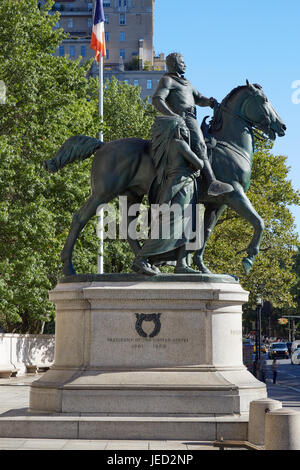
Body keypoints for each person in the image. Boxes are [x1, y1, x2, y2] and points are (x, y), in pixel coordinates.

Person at [152, 52, 233, 198]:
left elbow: (199, 98)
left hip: (192, 116)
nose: (185, 64)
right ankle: (212, 182)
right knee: (200, 145)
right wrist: (173, 116)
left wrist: (209, 102)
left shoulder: (187, 83)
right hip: (184, 119)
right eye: (182, 62)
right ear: (175, 64)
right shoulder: (167, 80)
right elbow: (157, 99)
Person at [132, 115, 203, 275]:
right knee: (174, 224)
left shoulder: (167, 146)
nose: (186, 131)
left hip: (177, 183)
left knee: (185, 224)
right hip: (183, 184)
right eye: (183, 127)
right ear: (176, 129)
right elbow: (200, 163)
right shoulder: (180, 144)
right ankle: (142, 258)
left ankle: (182, 263)